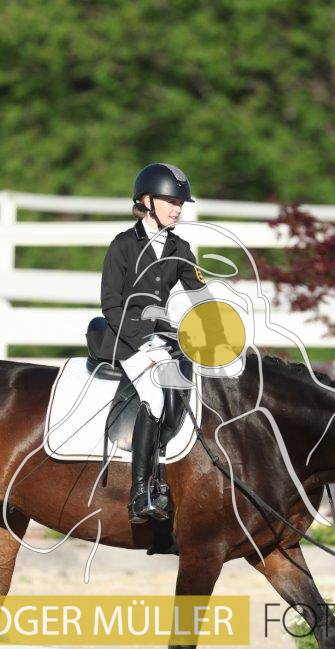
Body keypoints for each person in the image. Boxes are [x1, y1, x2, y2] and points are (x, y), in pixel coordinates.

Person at [97, 163, 206, 524]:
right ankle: (139, 493)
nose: (177, 209)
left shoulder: (180, 247)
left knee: (187, 390)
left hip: (162, 338)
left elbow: (200, 295)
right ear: (146, 201)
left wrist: (220, 332)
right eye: (171, 202)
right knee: (155, 396)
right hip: (126, 340)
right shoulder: (123, 245)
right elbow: (111, 304)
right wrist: (141, 342)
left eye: (180, 203)